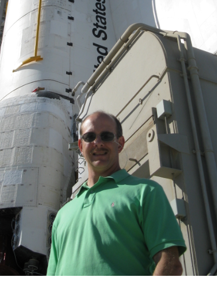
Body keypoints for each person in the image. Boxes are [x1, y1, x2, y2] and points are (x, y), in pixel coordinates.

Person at [48, 111, 186, 275]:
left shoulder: (146, 192)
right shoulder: (63, 215)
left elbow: (169, 264)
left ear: (119, 143)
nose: (97, 142)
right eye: (89, 137)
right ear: (80, 146)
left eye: (106, 136)